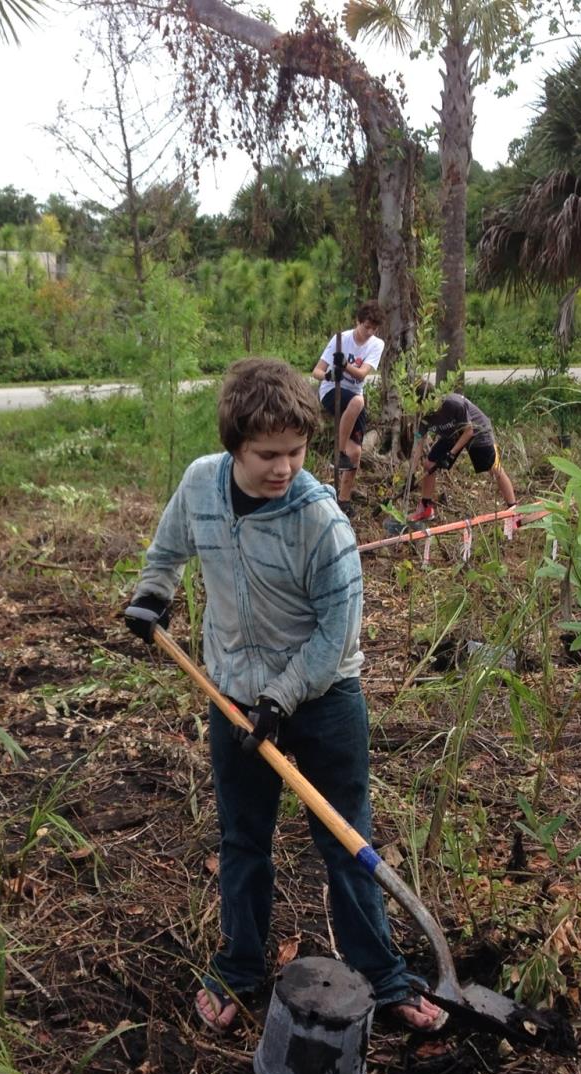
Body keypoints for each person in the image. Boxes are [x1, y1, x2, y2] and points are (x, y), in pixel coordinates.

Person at [122, 356, 445, 1035]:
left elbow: (338, 629)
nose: (284, 467)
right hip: (234, 696)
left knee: (344, 835)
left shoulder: (321, 520)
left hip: (322, 698)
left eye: (297, 452)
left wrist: (284, 698)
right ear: (234, 444)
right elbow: (167, 551)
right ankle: (241, 968)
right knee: (243, 841)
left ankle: (384, 979)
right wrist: (153, 597)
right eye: (268, 454)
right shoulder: (200, 486)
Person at [407, 381, 516, 522]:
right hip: (452, 435)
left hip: (477, 430)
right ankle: (426, 508)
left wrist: (451, 454)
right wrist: (411, 474)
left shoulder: (453, 404)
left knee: (493, 467)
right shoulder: (422, 415)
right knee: (429, 464)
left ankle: (513, 509)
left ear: (432, 399)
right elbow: (419, 443)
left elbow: (468, 431)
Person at [312, 300, 385, 505]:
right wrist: (329, 375)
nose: (370, 332)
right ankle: (339, 451)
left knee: (357, 453)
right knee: (358, 402)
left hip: (354, 396)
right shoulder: (341, 339)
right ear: (357, 321)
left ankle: (343, 500)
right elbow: (316, 371)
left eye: (374, 328)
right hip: (331, 392)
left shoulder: (377, 344)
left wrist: (344, 365)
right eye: (366, 326)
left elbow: (361, 375)